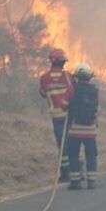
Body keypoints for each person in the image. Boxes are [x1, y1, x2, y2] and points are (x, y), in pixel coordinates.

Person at [38, 48, 74, 182]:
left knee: (62, 144)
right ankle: (74, 169)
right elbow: (74, 94)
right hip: (69, 116)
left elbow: (42, 93)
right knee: (72, 144)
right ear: (62, 62)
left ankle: (65, 173)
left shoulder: (44, 78)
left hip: (56, 117)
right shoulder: (68, 77)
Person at [65, 63, 99, 190]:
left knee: (73, 155)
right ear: (90, 77)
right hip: (90, 131)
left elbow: (64, 104)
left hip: (74, 130)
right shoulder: (94, 91)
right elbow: (96, 106)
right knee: (91, 155)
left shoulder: (71, 89)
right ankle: (91, 182)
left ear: (77, 76)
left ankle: (76, 182)